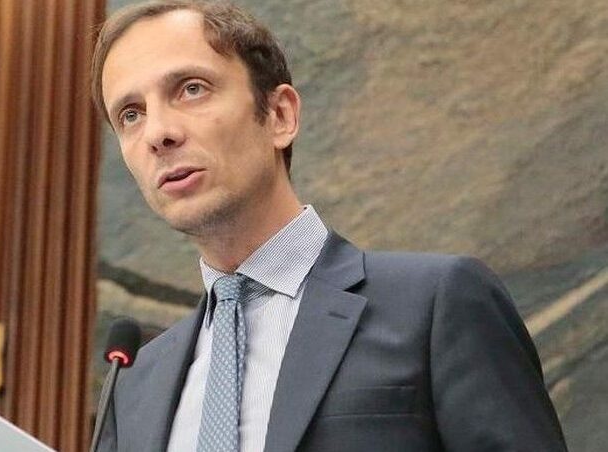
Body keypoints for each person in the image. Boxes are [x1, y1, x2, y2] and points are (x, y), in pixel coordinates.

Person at [91, 1, 568, 451]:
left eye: (191, 89)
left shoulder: (437, 303)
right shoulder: (134, 383)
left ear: (279, 116)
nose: (158, 133)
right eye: (131, 115)